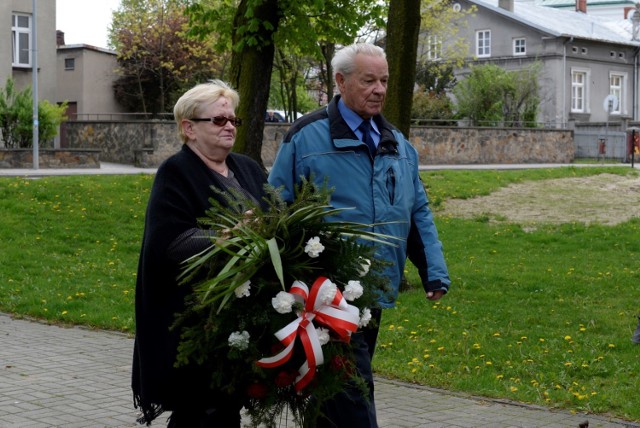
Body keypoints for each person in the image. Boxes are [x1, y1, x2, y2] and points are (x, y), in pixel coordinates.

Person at [268, 43, 451, 427]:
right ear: (340, 81)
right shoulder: (306, 137)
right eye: (369, 80)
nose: (380, 89)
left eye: (384, 80)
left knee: (334, 394)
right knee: (353, 393)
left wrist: (433, 269)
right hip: (324, 294)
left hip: (377, 287)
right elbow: (275, 208)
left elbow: (416, 210)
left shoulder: (398, 144)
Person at [132, 80, 269, 427]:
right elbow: (170, 243)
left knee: (227, 409)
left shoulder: (247, 168)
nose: (229, 127)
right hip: (194, 320)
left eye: (233, 120)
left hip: (241, 316)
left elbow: (272, 215)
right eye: (219, 120)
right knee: (198, 411)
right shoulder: (176, 173)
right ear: (189, 128)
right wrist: (231, 236)